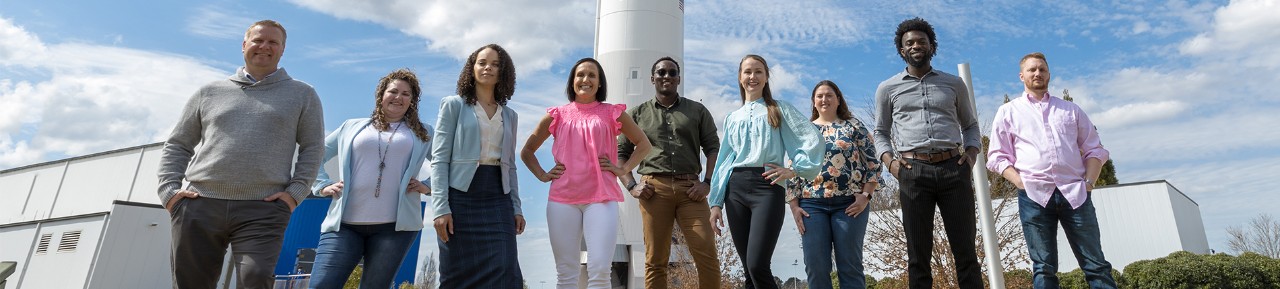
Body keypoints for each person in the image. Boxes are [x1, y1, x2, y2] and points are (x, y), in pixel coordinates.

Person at [157, 19, 324, 289]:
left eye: (273, 42)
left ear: (282, 50)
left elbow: (313, 147)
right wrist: (169, 191)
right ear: (244, 45)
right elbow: (178, 143)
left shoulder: (303, 94)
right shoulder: (209, 92)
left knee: (256, 279)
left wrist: (295, 194)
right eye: (258, 40)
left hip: (264, 208)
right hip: (200, 203)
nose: (264, 46)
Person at [987, 52, 1117, 288]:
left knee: (1095, 264)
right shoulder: (1008, 112)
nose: (1037, 73)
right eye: (1032, 70)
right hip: (1034, 195)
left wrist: (1089, 183)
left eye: (1042, 69)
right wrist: (1019, 181)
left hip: (1076, 195)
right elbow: (996, 156)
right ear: (1021, 76)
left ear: (1049, 74)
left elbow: (1095, 149)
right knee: (1044, 268)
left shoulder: (1071, 110)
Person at [873, 17, 983, 289]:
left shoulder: (954, 84)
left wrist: (969, 158)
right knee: (917, 256)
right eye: (908, 43)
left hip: (953, 170)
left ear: (932, 46)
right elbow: (880, 132)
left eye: (921, 41)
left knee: (966, 253)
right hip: (912, 172)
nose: (915, 46)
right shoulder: (887, 88)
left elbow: (970, 125)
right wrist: (891, 163)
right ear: (902, 50)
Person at [522, 58, 652, 289]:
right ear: (572, 82)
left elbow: (643, 144)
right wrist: (542, 175)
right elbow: (527, 151)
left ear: (600, 82)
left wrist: (622, 169)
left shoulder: (613, 113)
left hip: (601, 198)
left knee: (600, 269)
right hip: (562, 200)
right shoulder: (557, 115)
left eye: (592, 75)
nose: (586, 79)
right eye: (580, 75)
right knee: (566, 272)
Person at [307, 69, 432, 289]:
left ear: (412, 101)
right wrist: (322, 185)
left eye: (406, 94)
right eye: (393, 91)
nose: (398, 97)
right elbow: (315, 152)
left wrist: (428, 187)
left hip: (394, 230)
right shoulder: (351, 127)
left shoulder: (423, 133)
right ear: (381, 95)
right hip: (344, 226)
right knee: (321, 285)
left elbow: (447, 165)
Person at [707, 54, 824, 289]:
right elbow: (723, 161)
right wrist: (716, 202)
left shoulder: (778, 109)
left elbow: (811, 138)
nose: (753, 76)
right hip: (735, 189)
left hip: (767, 186)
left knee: (757, 264)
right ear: (740, 77)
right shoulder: (732, 117)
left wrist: (793, 169)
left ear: (766, 76)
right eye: (748, 71)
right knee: (749, 271)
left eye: (758, 71)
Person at [617, 57, 721, 289]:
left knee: (707, 255)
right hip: (653, 191)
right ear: (652, 78)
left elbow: (714, 148)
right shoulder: (636, 114)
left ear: (679, 78)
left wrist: (707, 182)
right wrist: (632, 186)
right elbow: (620, 152)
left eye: (672, 73)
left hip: (692, 191)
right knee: (655, 260)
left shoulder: (697, 110)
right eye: (661, 72)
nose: (667, 76)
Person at [431, 44, 525, 288]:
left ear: (503, 72)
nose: (488, 68)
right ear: (472, 68)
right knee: (456, 272)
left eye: (495, 64)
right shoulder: (453, 105)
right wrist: (440, 208)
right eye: (482, 62)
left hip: (498, 196)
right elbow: (440, 158)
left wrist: (517, 207)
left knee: (505, 268)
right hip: (460, 196)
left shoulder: (510, 116)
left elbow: (511, 166)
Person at [787, 80, 881, 289]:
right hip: (812, 206)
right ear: (813, 101)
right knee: (816, 266)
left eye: (829, 95)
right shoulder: (804, 132)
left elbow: (873, 162)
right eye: (819, 96)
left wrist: (866, 196)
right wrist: (794, 207)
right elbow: (793, 169)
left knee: (849, 265)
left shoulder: (854, 126)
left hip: (850, 205)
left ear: (838, 99)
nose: (824, 99)